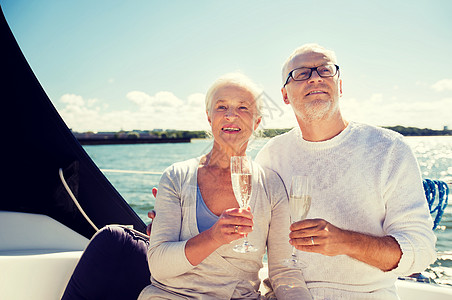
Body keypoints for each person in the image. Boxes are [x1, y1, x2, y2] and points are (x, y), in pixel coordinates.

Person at [254, 43, 437, 299]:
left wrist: (345, 242)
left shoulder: (389, 148)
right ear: (285, 95)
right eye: (301, 73)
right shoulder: (271, 156)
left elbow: (421, 252)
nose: (315, 77)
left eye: (325, 70)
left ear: (339, 86)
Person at [138, 73, 311, 299]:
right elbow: (159, 266)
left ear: (256, 121)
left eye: (243, 108)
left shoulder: (271, 185)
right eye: (221, 107)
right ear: (209, 117)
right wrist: (214, 237)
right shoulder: (176, 176)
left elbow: (283, 269)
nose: (231, 116)